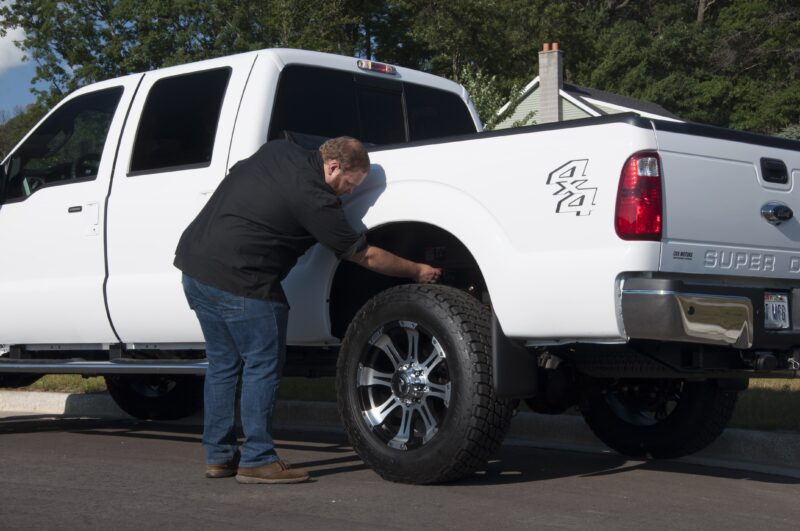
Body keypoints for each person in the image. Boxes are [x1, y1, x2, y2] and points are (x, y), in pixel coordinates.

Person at [174, 136, 441, 484]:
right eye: (349, 184)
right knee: (261, 366)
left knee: (223, 366)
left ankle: (220, 457)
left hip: (195, 270)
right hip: (243, 281)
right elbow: (365, 255)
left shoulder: (278, 150)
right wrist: (418, 271)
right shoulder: (316, 199)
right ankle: (257, 459)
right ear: (333, 167)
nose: (347, 193)